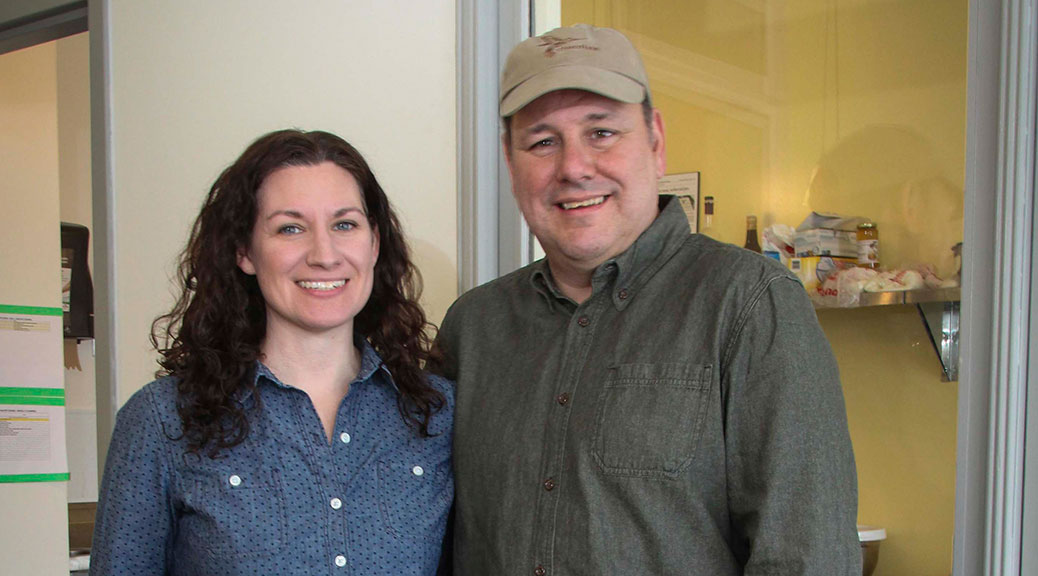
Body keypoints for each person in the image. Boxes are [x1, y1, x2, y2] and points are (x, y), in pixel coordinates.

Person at [435, 24, 861, 575]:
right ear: (510, 162)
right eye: (542, 141)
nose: (573, 167)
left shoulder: (750, 304)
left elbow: (808, 558)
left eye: (602, 133)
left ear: (655, 141)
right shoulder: (473, 328)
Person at [91, 129, 453, 576]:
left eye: (345, 224)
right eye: (290, 228)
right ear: (244, 250)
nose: (324, 254)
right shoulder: (163, 421)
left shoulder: (436, 414)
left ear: (374, 243)